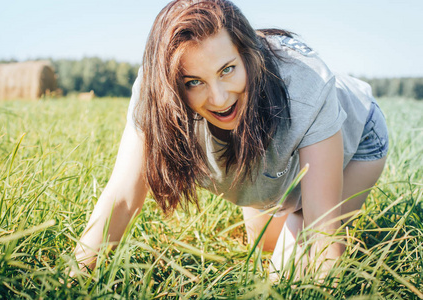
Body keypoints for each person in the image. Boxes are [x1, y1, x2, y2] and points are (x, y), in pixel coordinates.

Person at [73, 0, 389, 276]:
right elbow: (124, 198)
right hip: (269, 158)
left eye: (227, 70)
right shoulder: (156, 97)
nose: (220, 98)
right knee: (264, 247)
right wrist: (73, 279)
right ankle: (287, 214)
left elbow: (322, 229)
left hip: (355, 136)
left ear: (247, 54)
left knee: (287, 276)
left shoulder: (306, 86)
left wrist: (322, 275)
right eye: (194, 81)